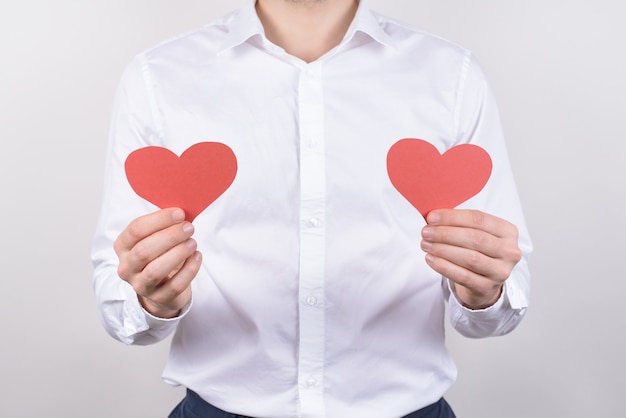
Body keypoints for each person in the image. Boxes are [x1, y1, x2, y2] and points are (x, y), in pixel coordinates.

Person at [92, 0, 532, 417]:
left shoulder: (453, 75)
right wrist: (152, 300)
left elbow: (503, 305)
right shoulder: (158, 77)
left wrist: (483, 293)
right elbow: (120, 305)